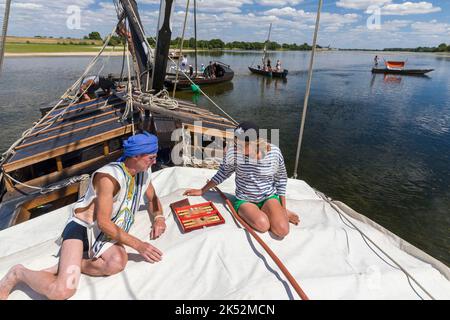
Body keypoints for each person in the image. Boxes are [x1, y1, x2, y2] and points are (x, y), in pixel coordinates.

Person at [0, 132, 166, 300]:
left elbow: (152, 198)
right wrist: (139, 245)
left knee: (117, 263)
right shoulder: (109, 178)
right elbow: (103, 223)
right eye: (151, 158)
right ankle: (18, 273)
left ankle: (70, 264)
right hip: (82, 229)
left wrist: (159, 218)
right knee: (63, 290)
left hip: (104, 233)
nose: (154, 161)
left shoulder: (142, 171)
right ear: (136, 155)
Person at [184, 121, 299, 239]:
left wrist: (283, 209)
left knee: (282, 230)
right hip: (245, 200)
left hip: (268, 197)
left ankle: (277, 211)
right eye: (235, 142)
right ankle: (268, 213)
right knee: (263, 225)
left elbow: (281, 179)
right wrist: (202, 191)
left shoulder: (274, 152)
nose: (236, 147)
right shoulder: (234, 153)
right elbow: (223, 172)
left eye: (241, 145)